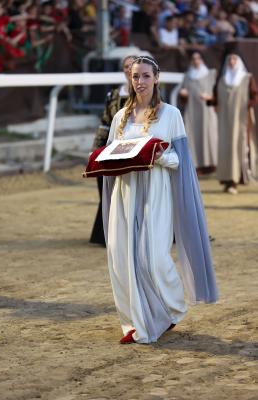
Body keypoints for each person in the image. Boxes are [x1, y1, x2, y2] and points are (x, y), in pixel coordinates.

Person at [102, 56, 218, 344]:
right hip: (125, 192)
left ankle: (171, 308)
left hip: (157, 191)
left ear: (156, 78)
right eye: (135, 76)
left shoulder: (171, 115)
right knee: (121, 257)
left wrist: (157, 156)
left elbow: (181, 161)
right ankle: (133, 322)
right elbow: (111, 154)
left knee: (152, 257)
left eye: (144, 76)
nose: (139, 81)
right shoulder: (120, 117)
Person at [89, 55, 137, 246]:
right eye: (125, 67)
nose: (128, 69)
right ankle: (111, 232)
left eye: (131, 66)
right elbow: (105, 124)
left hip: (137, 150)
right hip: (115, 148)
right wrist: (96, 148)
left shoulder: (147, 93)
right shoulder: (114, 95)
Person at [207, 52, 258, 194]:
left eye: (234, 59)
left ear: (239, 61)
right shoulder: (222, 79)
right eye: (230, 59)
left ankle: (235, 180)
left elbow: (255, 96)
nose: (232, 61)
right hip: (224, 121)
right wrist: (207, 100)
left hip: (240, 120)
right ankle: (227, 180)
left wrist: (245, 105)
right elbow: (215, 100)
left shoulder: (247, 78)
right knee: (225, 149)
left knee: (238, 147)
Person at [179, 51, 218, 174]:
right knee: (192, 136)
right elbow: (183, 96)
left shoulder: (211, 74)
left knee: (208, 135)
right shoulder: (187, 76)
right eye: (194, 58)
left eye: (199, 58)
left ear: (202, 59)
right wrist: (183, 94)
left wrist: (210, 97)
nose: (196, 61)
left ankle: (211, 165)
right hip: (192, 111)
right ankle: (196, 165)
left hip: (207, 111)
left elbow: (218, 95)